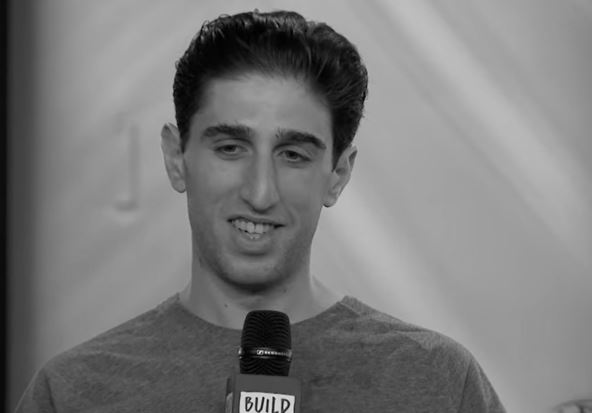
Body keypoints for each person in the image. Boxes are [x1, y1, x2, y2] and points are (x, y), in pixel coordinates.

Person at [16, 10, 506, 412]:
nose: (260, 191)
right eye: (231, 148)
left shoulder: (438, 381)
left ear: (338, 173)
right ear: (176, 157)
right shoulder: (73, 392)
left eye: (293, 154)